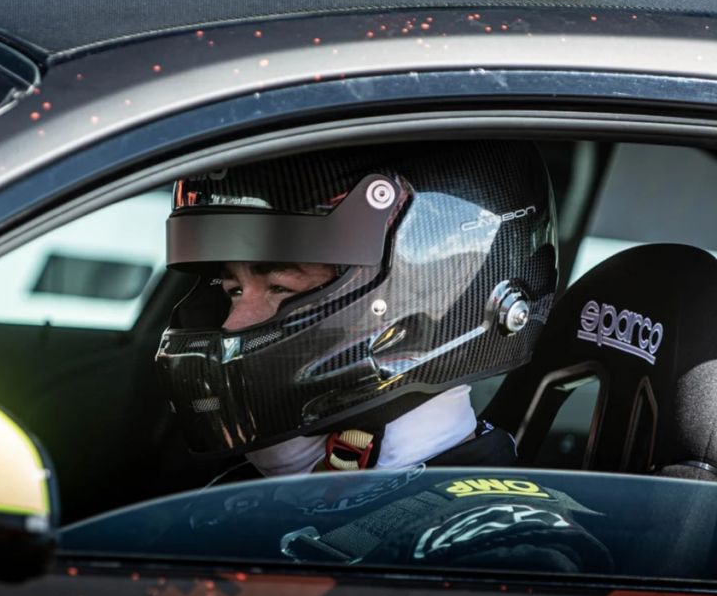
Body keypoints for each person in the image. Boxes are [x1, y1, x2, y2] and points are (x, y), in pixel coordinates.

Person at [155, 140, 558, 480]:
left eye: (279, 287)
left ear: (423, 286)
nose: (233, 323)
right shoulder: (242, 491)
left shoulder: (495, 537)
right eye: (234, 290)